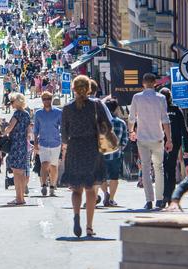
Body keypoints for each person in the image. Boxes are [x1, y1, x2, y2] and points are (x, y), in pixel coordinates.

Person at [61, 75, 112, 237]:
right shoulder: (96, 105)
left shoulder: (68, 108)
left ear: (74, 89)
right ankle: (89, 227)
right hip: (92, 148)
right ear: (89, 88)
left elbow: (64, 134)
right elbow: (108, 125)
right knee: (91, 190)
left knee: (76, 189)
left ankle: (76, 216)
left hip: (75, 148)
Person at [128, 73, 173, 210]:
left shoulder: (137, 97)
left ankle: (149, 200)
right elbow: (165, 120)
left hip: (142, 138)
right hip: (157, 138)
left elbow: (131, 118)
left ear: (143, 83)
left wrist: (131, 131)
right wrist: (169, 139)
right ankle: (159, 199)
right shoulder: (161, 98)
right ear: (155, 83)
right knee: (159, 168)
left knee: (146, 169)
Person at [159, 88, 188, 206]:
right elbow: (184, 130)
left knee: (162, 169)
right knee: (170, 169)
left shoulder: (158, 110)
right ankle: (169, 196)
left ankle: (164, 197)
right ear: (170, 97)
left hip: (160, 141)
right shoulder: (176, 110)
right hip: (174, 143)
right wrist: (187, 148)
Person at [3, 92, 32, 205]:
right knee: (21, 172)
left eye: (12, 101)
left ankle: (18, 198)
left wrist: (3, 134)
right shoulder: (26, 114)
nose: (11, 104)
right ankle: (21, 198)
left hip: (15, 145)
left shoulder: (17, 114)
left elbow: (10, 128)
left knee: (16, 172)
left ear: (17, 101)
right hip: (23, 145)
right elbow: (29, 132)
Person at [33, 91, 62, 197]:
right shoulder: (38, 113)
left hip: (55, 142)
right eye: (44, 99)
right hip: (43, 142)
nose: (46, 101)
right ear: (42, 100)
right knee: (44, 164)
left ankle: (53, 187)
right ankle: (44, 185)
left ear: (51, 99)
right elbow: (35, 129)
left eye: (48, 99)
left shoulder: (58, 112)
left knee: (54, 166)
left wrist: (63, 142)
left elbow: (62, 127)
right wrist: (35, 143)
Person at [101, 99, 128, 207]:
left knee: (101, 177)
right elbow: (125, 140)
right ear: (116, 108)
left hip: (102, 154)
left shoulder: (100, 122)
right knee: (114, 177)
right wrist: (120, 148)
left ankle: (105, 193)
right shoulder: (121, 123)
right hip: (116, 154)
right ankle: (111, 199)